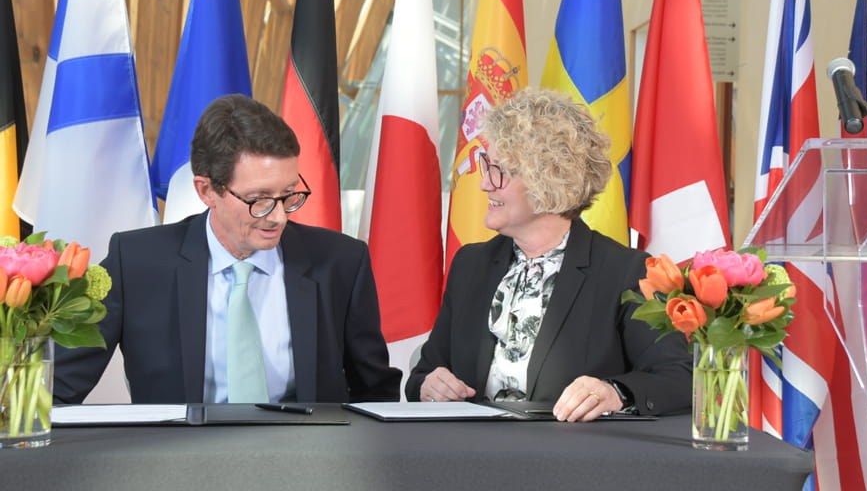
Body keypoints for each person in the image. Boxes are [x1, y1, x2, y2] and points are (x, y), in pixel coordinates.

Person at [55, 94, 401, 403]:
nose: (278, 216)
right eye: (258, 200)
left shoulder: (341, 261)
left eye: (289, 193)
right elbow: (58, 391)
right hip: (173, 465)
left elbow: (375, 395)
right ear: (207, 191)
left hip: (306, 462)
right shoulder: (134, 262)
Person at [407, 89, 691, 421]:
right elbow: (423, 374)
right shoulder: (471, 264)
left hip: (572, 465)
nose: (484, 184)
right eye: (487, 165)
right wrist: (428, 385)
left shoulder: (628, 272)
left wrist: (614, 392)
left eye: (499, 170)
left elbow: (678, 378)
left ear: (549, 181)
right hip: (470, 458)